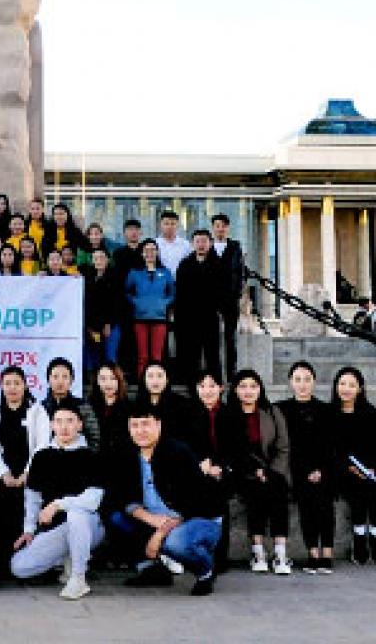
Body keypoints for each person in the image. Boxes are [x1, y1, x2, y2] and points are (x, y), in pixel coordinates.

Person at [106, 405, 222, 596]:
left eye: (146, 424)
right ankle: (152, 570)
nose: (140, 430)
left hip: (197, 518)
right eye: (134, 425)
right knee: (117, 518)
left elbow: (198, 500)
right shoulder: (126, 453)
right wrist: (145, 516)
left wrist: (160, 533)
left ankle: (205, 572)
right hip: (156, 517)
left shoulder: (177, 452)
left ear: (158, 425)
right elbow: (118, 495)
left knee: (176, 543)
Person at [10, 405, 105, 600]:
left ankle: (78, 578)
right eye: (59, 421)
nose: (64, 427)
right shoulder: (41, 456)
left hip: (88, 526)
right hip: (56, 530)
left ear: (79, 424)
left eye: (70, 421)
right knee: (19, 567)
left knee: (76, 514)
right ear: (52, 425)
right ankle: (66, 557)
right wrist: (29, 529)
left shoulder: (91, 456)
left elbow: (93, 499)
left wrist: (58, 505)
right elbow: (33, 497)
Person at [226, 368, 292, 575]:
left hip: (272, 469)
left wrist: (271, 472)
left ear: (260, 389)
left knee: (278, 488)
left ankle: (280, 552)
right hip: (243, 472)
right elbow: (232, 451)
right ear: (235, 390)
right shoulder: (229, 415)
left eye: (253, 386)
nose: (248, 391)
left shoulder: (272, 412)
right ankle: (258, 551)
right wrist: (254, 471)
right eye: (243, 386)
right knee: (256, 491)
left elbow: (283, 447)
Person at [0, 366, 50, 572]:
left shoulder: (37, 411)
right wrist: (3, 473)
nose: (12, 388)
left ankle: (28, 558)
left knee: (28, 510)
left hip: (32, 471)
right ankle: (1, 562)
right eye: (7, 384)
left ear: (25, 385)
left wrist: (27, 473)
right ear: (1, 387)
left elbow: (42, 445)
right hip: (4, 473)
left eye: (17, 383)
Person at [277, 360, 335, 573]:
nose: (302, 384)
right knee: (306, 502)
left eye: (307, 379)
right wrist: (305, 470)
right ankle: (313, 552)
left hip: (325, 468)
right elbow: (287, 445)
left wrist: (321, 469)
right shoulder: (282, 409)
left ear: (314, 382)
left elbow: (330, 445)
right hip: (297, 469)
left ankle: (327, 552)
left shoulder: (326, 410)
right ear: (291, 382)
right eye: (298, 379)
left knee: (325, 501)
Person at [329, 365, 376, 564]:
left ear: (360, 388)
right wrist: (350, 468)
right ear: (336, 387)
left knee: (372, 484)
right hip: (342, 470)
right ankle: (359, 538)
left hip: (369, 468)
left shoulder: (371, 413)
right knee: (358, 485)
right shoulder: (329, 414)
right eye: (342, 383)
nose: (346, 388)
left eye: (351, 385)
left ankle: (373, 535)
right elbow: (330, 449)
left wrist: (371, 466)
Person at [189, 369, 234, 573]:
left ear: (221, 389)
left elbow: (237, 447)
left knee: (220, 499)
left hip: (224, 471)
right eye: (202, 386)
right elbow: (186, 445)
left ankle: (219, 557)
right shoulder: (189, 413)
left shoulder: (230, 413)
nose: (207, 391)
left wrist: (220, 467)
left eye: (212, 386)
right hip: (197, 469)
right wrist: (201, 464)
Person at [173, 230, 223, 387]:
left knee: (212, 355)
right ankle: (191, 387)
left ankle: (215, 386)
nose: (201, 245)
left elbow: (223, 290)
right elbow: (179, 292)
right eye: (198, 241)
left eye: (204, 241)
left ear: (210, 243)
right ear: (192, 244)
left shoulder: (218, 264)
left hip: (210, 316)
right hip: (189, 318)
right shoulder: (185, 264)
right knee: (191, 355)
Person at [124, 238, 174, 378]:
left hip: (159, 318)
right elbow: (127, 291)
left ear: (157, 252)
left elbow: (172, 292)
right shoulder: (135, 272)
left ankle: (157, 384)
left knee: (157, 356)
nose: (150, 253)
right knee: (143, 356)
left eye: (153, 250)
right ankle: (142, 386)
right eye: (147, 250)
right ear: (142, 253)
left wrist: (164, 303)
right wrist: (136, 302)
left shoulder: (165, 272)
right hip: (140, 318)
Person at [211, 213, 245, 381]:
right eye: (217, 225)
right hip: (212, 299)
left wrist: (238, 292)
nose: (220, 229)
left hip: (230, 298)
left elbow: (240, 272)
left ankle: (232, 374)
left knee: (230, 338)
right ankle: (216, 374)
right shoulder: (208, 247)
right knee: (213, 338)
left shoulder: (235, 246)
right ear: (213, 228)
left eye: (223, 226)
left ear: (227, 228)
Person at [41, 357, 101, 450]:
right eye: (55, 376)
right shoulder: (41, 408)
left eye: (65, 376)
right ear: (48, 379)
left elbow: (94, 437)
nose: (60, 381)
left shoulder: (82, 406)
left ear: (72, 380)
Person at [135, 361, 195, 447]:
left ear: (167, 380)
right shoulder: (137, 406)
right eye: (150, 376)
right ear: (144, 380)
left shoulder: (182, 404)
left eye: (160, 376)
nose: (155, 381)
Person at [88, 363, 131, 457]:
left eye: (113, 378)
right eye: (103, 379)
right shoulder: (88, 407)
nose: (108, 383)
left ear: (119, 380)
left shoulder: (130, 407)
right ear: (97, 381)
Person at [154, 210, 191, 278]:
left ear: (177, 225)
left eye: (173, 224)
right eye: (166, 224)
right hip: (160, 281)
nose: (169, 227)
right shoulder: (155, 244)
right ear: (161, 225)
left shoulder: (186, 245)